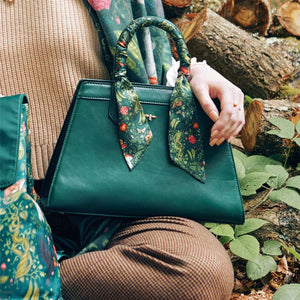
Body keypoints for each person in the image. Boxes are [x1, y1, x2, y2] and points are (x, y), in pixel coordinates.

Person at [0, 0, 244, 299]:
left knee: (197, 272)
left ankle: (22, 284)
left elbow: (155, 63)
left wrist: (195, 74)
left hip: (114, 192)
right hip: (5, 206)